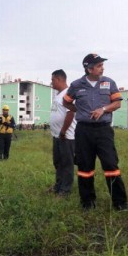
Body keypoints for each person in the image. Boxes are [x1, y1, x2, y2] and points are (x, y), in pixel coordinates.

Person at [63, 53, 128, 211]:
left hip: (103, 130)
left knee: (111, 165)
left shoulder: (109, 82)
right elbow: (66, 101)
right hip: (83, 131)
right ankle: (87, 203)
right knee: (85, 168)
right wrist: (80, 111)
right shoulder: (76, 85)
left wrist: (103, 109)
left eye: (102, 65)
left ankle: (120, 203)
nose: (102, 68)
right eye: (99, 66)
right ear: (89, 68)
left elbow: (117, 103)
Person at [49, 69, 77, 197]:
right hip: (57, 136)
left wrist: (63, 131)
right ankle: (58, 186)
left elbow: (70, 113)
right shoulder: (58, 95)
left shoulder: (69, 93)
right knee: (58, 162)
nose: (51, 83)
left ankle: (65, 190)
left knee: (67, 164)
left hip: (66, 136)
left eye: (53, 80)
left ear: (59, 79)